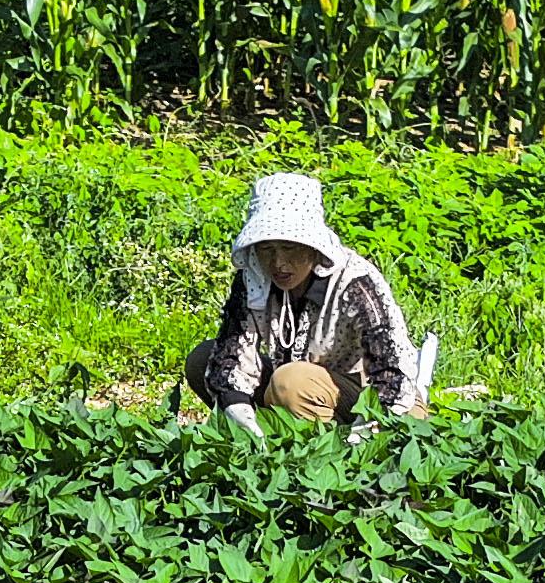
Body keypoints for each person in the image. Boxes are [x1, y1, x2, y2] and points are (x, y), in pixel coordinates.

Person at [182, 171, 430, 429]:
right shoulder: (254, 279)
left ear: (312, 245)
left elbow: (392, 367)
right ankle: (271, 438)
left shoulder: (355, 283)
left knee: (291, 382)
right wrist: (241, 414)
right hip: (299, 389)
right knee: (203, 359)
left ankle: (328, 452)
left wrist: (367, 429)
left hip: (372, 396)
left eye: (289, 248)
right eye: (267, 249)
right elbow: (232, 352)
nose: (278, 263)